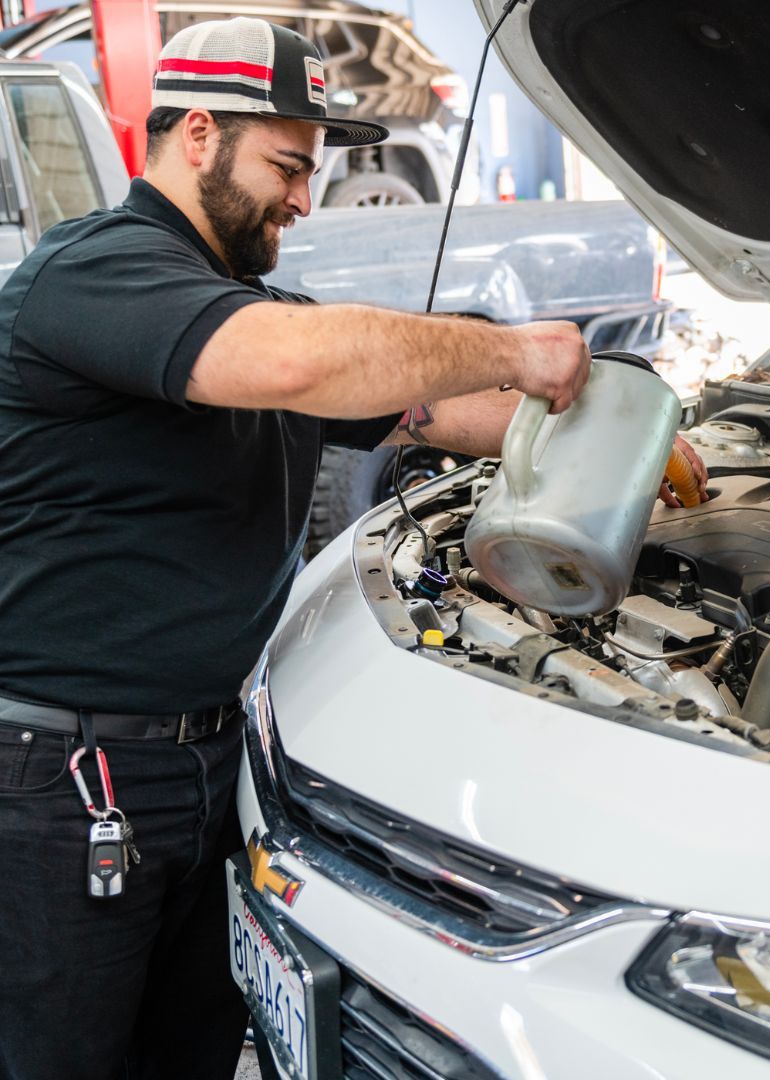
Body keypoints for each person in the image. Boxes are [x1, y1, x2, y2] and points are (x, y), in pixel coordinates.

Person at [0, 16, 707, 1080]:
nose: (302, 197)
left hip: (211, 763)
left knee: (188, 1055)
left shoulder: (239, 311)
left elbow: (433, 410)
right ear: (198, 134)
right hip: (67, 784)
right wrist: (513, 345)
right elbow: (299, 365)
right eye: (287, 166)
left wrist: (631, 440)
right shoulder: (97, 270)